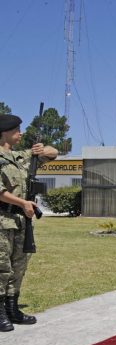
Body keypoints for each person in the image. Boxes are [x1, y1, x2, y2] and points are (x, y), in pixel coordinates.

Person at [0, 114, 58, 331]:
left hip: (21, 221)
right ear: (4, 132)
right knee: (1, 267)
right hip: (2, 220)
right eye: (16, 130)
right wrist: (23, 202)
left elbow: (55, 154)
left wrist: (42, 150)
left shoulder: (20, 157)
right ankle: (0, 312)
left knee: (19, 266)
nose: (20, 133)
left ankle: (13, 309)